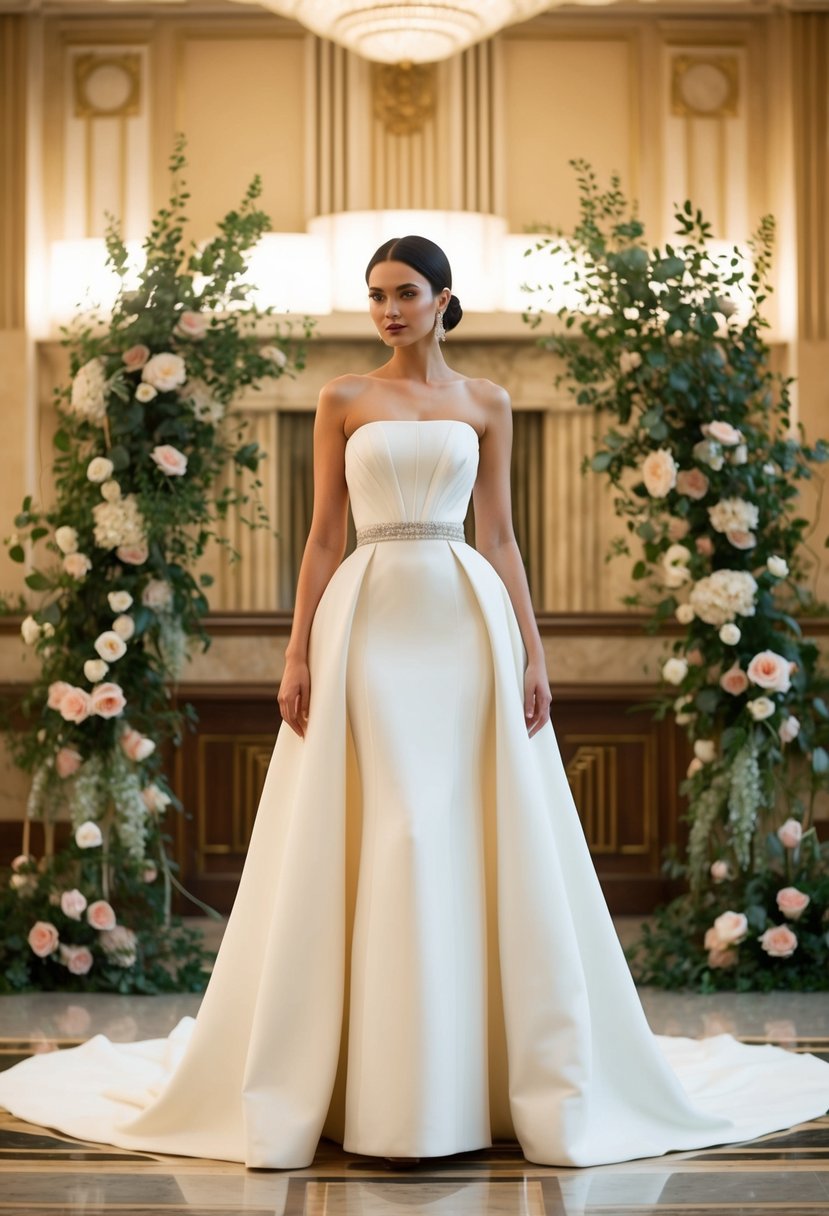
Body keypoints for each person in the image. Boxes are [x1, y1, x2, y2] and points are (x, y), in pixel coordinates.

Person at [0, 235, 827, 1170]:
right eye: (376, 296)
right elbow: (318, 540)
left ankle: (472, 1076)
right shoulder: (342, 398)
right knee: (390, 829)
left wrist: (530, 654)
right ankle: (367, 1083)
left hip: (462, 620)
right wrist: (298, 650)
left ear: (443, 299)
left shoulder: (487, 403)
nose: (389, 310)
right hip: (368, 620)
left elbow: (504, 539)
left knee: (456, 829)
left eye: (405, 293)